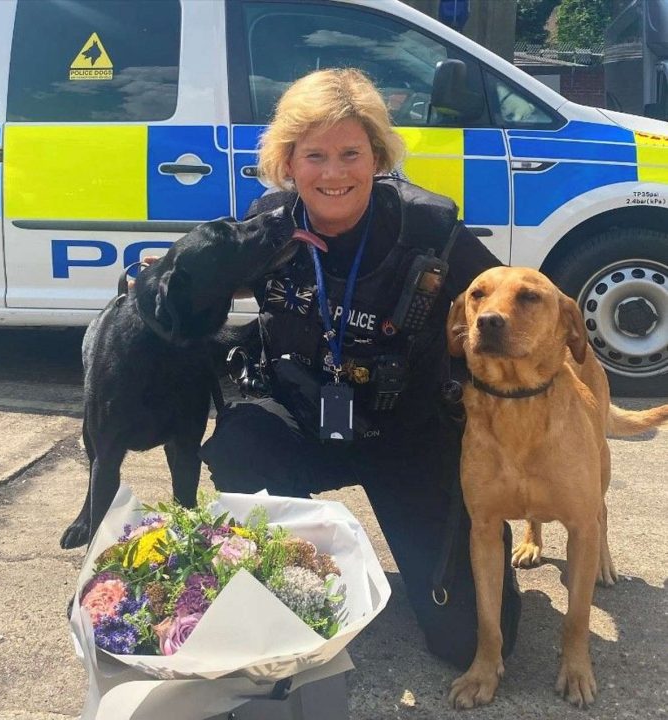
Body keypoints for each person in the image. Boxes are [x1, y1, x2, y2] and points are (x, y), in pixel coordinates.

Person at [199, 68, 521, 669]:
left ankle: (452, 548)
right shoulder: (268, 224)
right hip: (301, 429)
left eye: (351, 153)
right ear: (287, 162)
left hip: (411, 439)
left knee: (472, 643)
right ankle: (292, 564)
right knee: (241, 443)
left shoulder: (430, 230)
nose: (334, 173)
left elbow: (510, 308)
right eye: (313, 155)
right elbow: (188, 292)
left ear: (376, 155)